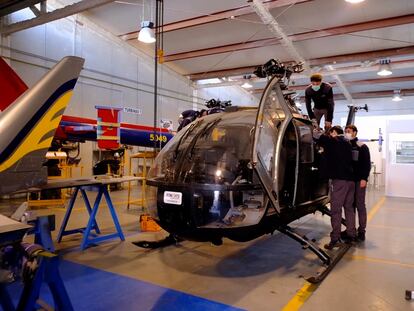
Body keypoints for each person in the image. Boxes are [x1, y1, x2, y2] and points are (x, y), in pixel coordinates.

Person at [317, 125, 355, 249]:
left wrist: (318, 130)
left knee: (336, 210)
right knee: (349, 208)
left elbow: (320, 138)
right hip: (351, 181)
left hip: (339, 181)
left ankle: (335, 239)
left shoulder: (334, 141)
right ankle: (351, 234)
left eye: (331, 133)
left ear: (334, 133)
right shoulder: (347, 143)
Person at [344, 124, 371, 241]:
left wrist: (364, 178)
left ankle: (362, 231)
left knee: (360, 205)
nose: (347, 133)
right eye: (345, 131)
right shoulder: (345, 146)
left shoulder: (362, 146)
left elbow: (367, 164)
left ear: (355, 132)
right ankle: (350, 230)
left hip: (359, 181)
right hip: (349, 181)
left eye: (349, 131)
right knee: (350, 206)